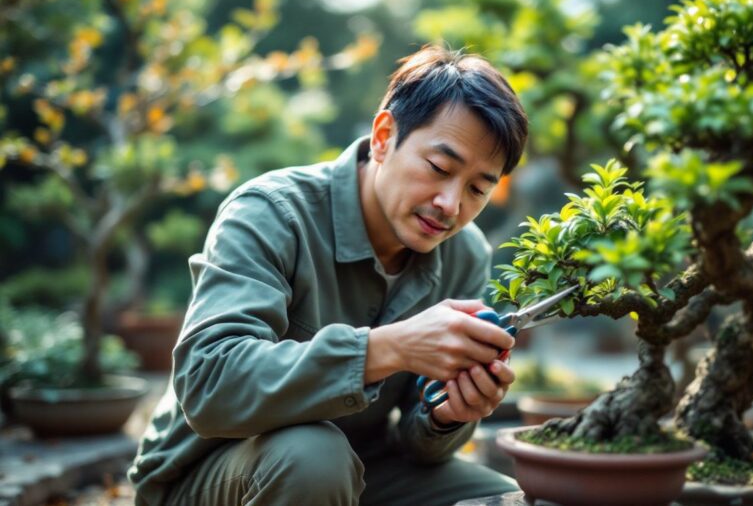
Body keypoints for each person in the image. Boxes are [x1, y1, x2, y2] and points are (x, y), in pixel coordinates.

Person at [127, 45, 529, 506]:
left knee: (508, 498)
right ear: (383, 137)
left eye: (479, 188)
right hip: (211, 470)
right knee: (312, 458)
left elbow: (419, 449)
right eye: (439, 168)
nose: (451, 205)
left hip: (359, 468)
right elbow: (209, 384)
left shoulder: (464, 252)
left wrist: (447, 417)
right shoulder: (271, 212)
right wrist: (390, 348)